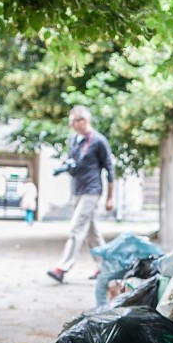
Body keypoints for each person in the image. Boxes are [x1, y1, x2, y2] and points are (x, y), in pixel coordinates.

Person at [46, 106, 114, 283]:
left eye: (75, 121)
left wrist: (110, 197)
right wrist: (65, 166)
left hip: (92, 190)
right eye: (71, 121)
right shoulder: (74, 141)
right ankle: (105, 267)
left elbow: (110, 168)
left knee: (76, 227)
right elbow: (72, 162)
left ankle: (62, 267)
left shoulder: (98, 141)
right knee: (92, 232)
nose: (72, 124)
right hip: (77, 190)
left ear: (84, 121)